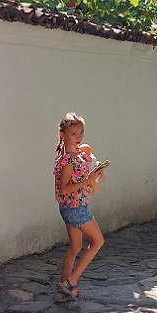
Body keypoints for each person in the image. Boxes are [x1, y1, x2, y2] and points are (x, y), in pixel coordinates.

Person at [53, 113, 106, 302]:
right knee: (98, 241)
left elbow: (86, 149)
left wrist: (95, 167)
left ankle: (62, 292)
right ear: (62, 135)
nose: (79, 137)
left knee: (75, 247)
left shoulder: (73, 154)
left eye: (81, 132)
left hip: (70, 208)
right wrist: (89, 180)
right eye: (74, 133)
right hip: (76, 208)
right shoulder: (70, 160)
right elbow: (65, 188)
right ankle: (71, 282)